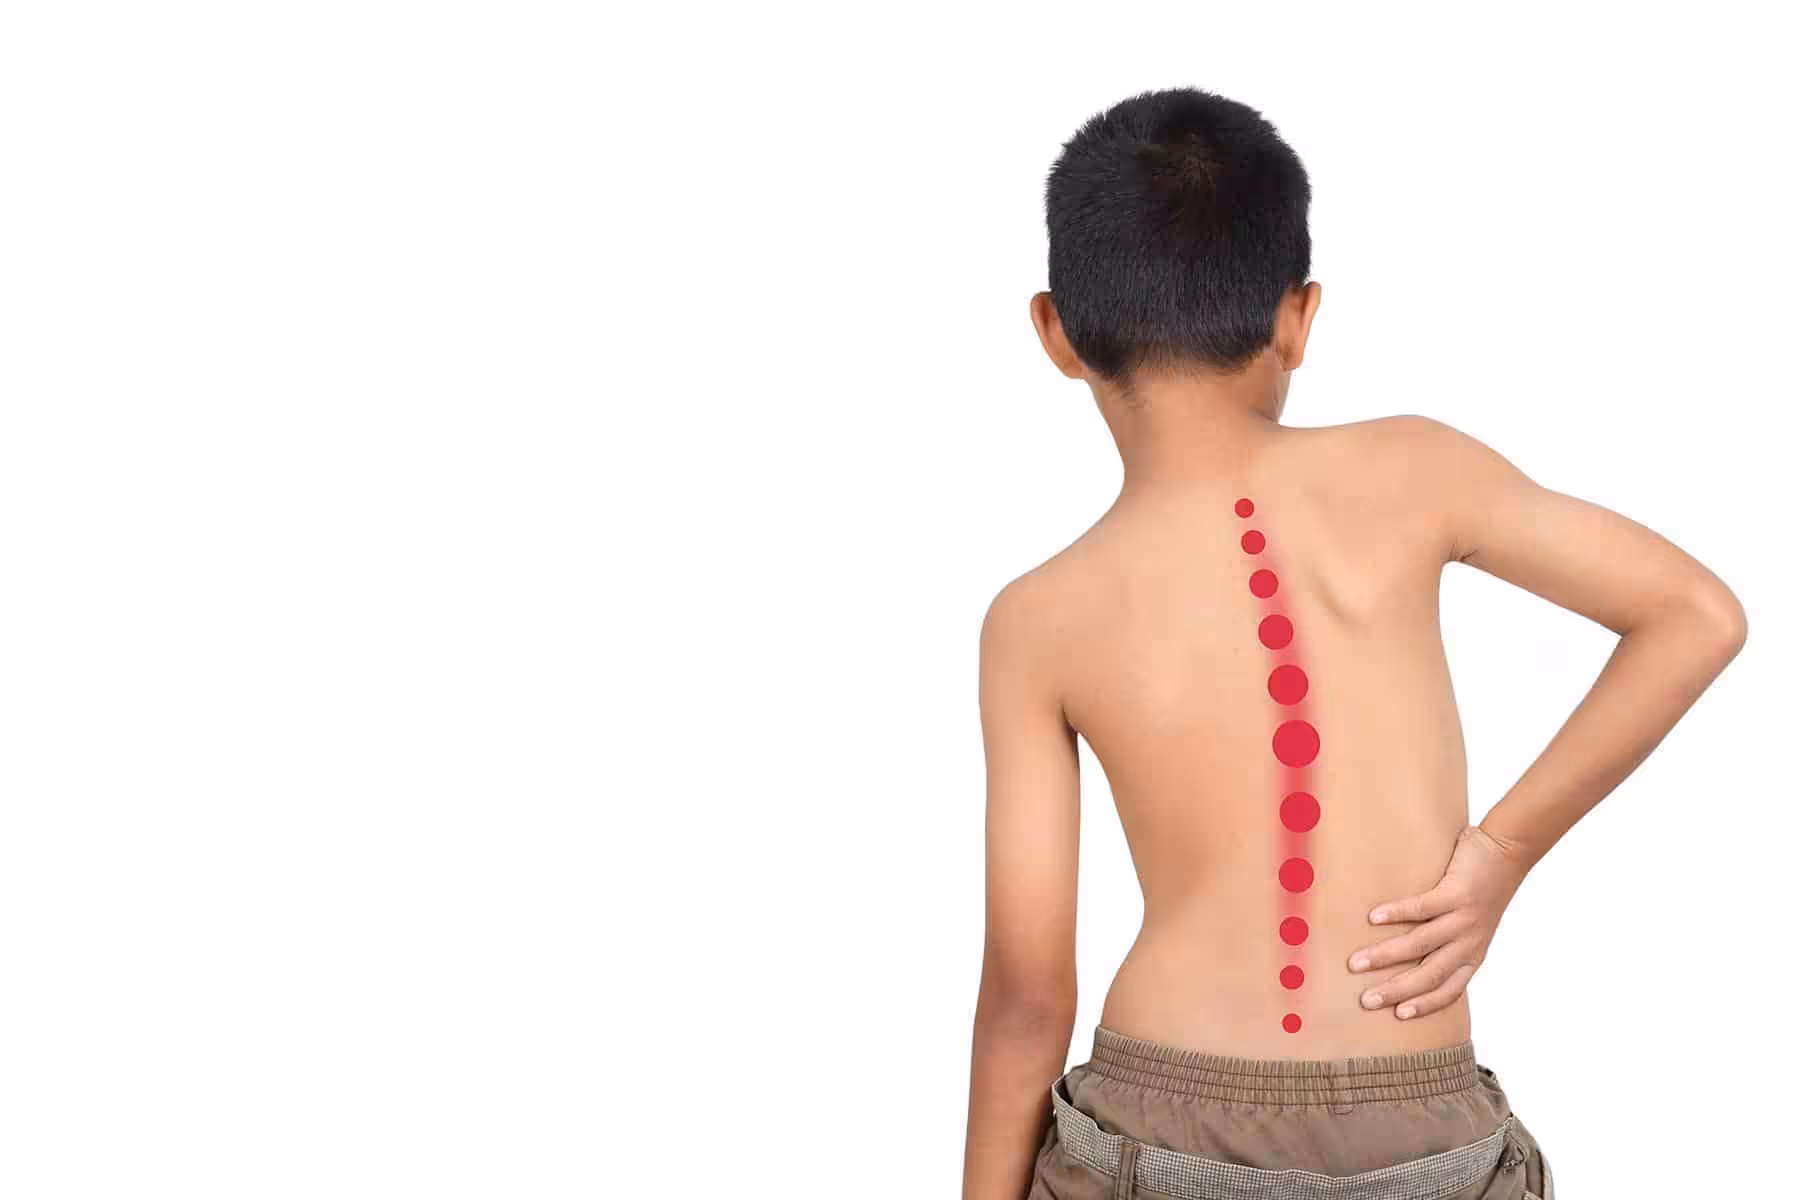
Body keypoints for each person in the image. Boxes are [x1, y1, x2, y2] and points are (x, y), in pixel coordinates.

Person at [961, 87, 1745, 1200]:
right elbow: (1697, 615)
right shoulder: (1417, 470)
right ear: (1298, 317)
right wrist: (1501, 853)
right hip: (1424, 1135)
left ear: (1056, 334)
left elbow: (1027, 995)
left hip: (1152, 1130)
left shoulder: (1037, 617)